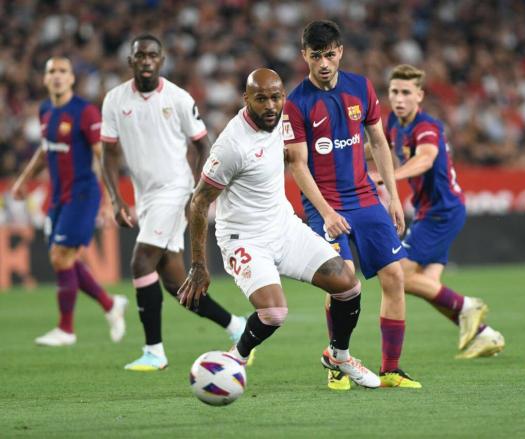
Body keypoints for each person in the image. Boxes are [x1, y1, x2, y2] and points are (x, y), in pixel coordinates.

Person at [178, 68, 380, 388]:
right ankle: (237, 357)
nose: (270, 105)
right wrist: (199, 265)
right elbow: (199, 202)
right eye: (261, 99)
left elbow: (303, 152)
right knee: (274, 313)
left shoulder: (283, 121)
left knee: (348, 287)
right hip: (244, 238)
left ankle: (338, 356)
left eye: (276, 97)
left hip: (284, 227)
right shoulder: (232, 145)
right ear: (246, 100)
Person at [283, 20, 420, 389]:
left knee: (394, 276)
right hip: (323, 204)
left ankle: (391, 368)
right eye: (316, 56)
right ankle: (336, 359)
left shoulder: (361, 87)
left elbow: (379, 142)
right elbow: (296, 164)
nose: (324, 63)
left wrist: (389, 193)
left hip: (364, 196)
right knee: (342, 279)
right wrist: (326, 213)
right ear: (304, 57)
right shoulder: (295, 103)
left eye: (329, 54)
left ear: (340, 51)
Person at [100, 34, 246, 371]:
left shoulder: (179, 99)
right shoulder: (114, 100)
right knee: (175, 283)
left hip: (175, 189)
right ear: (131, 61)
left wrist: (197, 194)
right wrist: (115, 196)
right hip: (145, 196)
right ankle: (236, 326)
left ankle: (155, 351)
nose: (147, 60)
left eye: (152, 55)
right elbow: (108, 154)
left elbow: (203, 145)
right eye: (140, 56)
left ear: (161, 60)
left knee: (140, 263)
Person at [380, 64, 505, 359]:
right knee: (429, 286)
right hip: (431, 210)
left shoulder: (426, 127)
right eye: (394, 92)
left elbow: (425, 160)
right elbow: (378, 149)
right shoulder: (394, 125)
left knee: (400, 276)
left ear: (419, 96)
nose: (399, 98)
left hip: (441, 211)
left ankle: (466, 306)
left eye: (406, 92)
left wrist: (388, 177)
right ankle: (485, 334)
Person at [11, 56, 127, 347]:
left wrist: (112, 196)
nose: (58, 76)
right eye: (52, 71)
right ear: (45, 78)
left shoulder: (84, 112)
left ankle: (66, 329)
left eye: (63, 71)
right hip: (58, 197)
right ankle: (110, 304)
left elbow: (100, 155)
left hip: (83, 194)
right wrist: (24, 179)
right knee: (65, 259)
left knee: (60, 257)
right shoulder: (46, 110)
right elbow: (44, 150)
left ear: (72, 78)